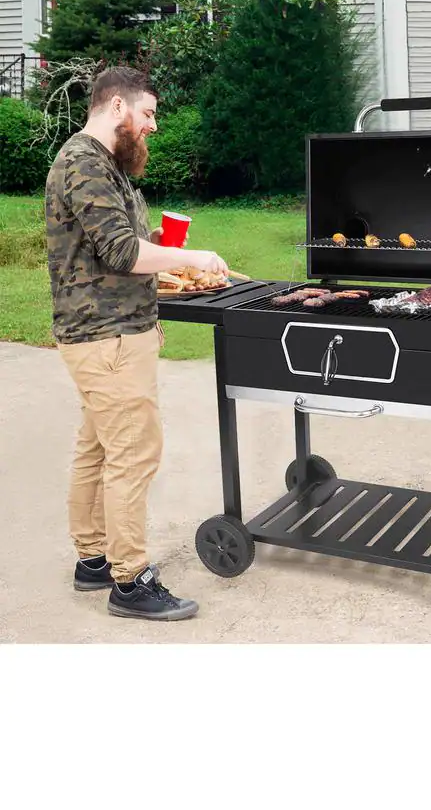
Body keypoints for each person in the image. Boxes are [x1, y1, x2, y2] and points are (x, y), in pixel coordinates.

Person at [45, 65, 231, 621]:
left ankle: (93, 559)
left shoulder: (105, 164)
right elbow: (122, 253)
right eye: (147, 113)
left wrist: (162, 247)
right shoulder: (84, 163)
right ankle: (131, 582)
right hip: (107, 336)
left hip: (110, 332)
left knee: (99, 447)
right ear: (117, 106)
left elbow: (115, 244)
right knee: (133, 453)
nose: (152, 125)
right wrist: (193, 257)